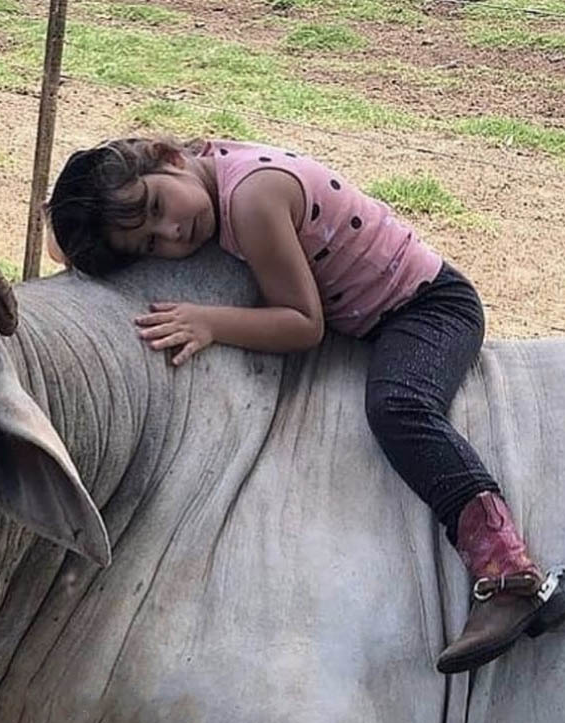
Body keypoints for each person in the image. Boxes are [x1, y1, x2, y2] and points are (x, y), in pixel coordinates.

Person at [45, 136, 565, 674]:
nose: (172, 232)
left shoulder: (252, 200)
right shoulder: (194, 166)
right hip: (375, 312)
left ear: (170, 158)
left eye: (156, 209)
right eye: (151, 245)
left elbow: (303, 324)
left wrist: (210, 321)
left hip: (427, 309)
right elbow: (85, 236)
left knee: (399, 407)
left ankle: (509, 574)